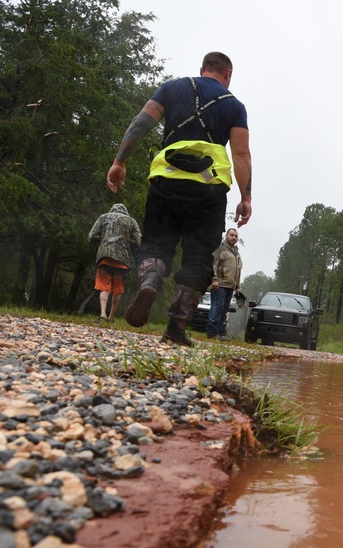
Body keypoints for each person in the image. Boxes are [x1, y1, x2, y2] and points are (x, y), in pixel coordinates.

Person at [106, 51, 252, 346]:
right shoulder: (234, 106)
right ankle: (175, 327)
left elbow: (140, 123)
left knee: (156, 244)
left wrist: (119, 162)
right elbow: (241, 154)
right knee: (198, 260)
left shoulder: (173, 88)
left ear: (202, 70)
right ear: (228, 75)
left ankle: (150, 280)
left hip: (166, 182)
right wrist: (245, 196)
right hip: (208, 192)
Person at [87, 203, 142, 322]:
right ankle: (111, 317)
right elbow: (137, 242)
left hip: (105, 257)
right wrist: (127, 248)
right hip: (122, 260)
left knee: (104, 287)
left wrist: (101, 244)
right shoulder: (132, 222)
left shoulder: (103, 217)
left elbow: (92, 236)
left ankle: (102, 314)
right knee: (117, 290)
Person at [207, 227, 243, 339]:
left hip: (230, 287)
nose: (234, 237)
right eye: (231, 235)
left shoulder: (237, 254)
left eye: (236, 236)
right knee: (217, 308)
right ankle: (212, 333)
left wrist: (237, 286)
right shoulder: (220, 248)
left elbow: (238, 271)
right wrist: (215, 279)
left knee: (224, 310)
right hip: (220, 285)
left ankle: (220, 333)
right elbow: (214, 264)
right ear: (226, 236)